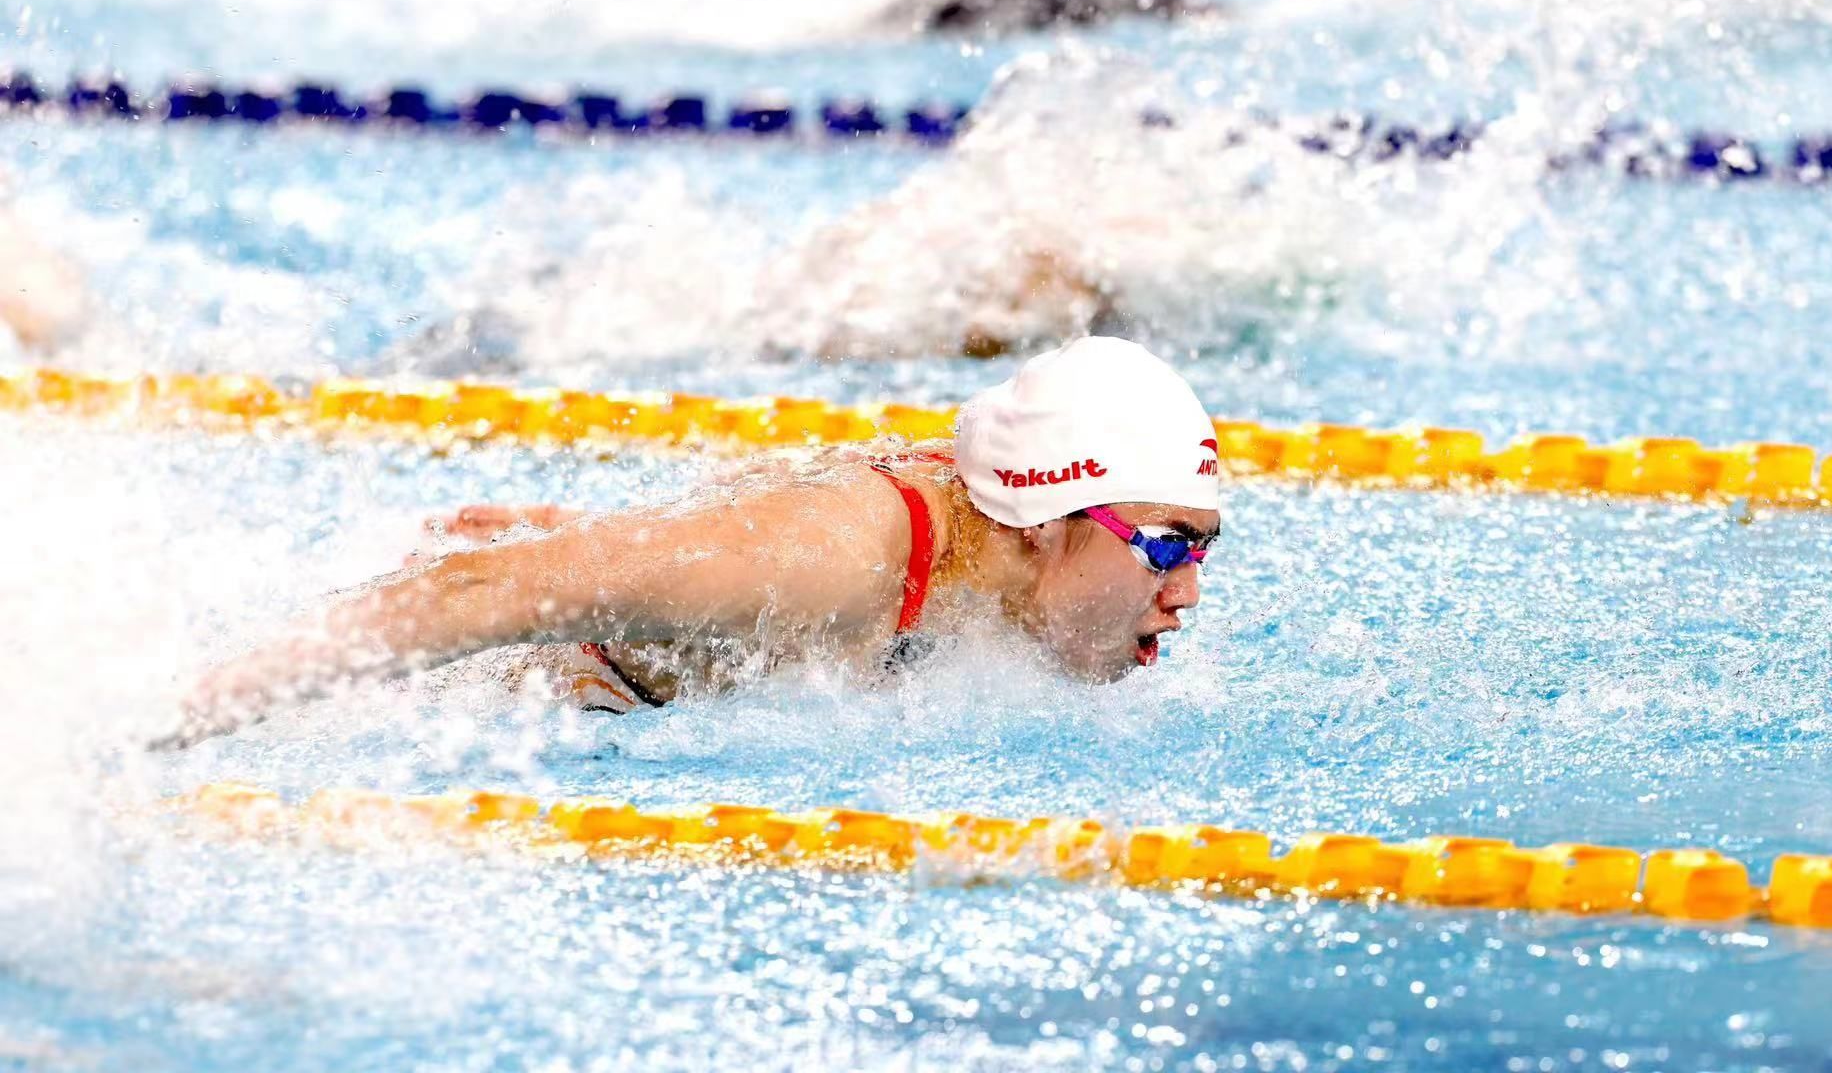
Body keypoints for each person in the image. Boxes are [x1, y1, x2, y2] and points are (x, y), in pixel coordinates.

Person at [159, 337, 1223, 747]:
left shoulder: (978, 549)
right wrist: (172, 718)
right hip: (434, 675)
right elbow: (477, 590)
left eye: (1203, 550)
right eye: (1170, 546)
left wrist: (617, 549)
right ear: (1044, 524)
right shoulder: (846, 558)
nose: (1185, 591)